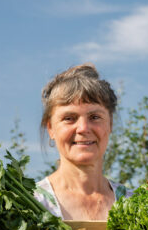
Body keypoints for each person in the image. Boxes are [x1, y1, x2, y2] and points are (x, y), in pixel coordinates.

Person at [34, 63, 128, 221]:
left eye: (95, 117)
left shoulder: (132, 204)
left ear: (110, 124)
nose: (83, 128)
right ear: (50, 128)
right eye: (69, 118)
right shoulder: (32, 203)